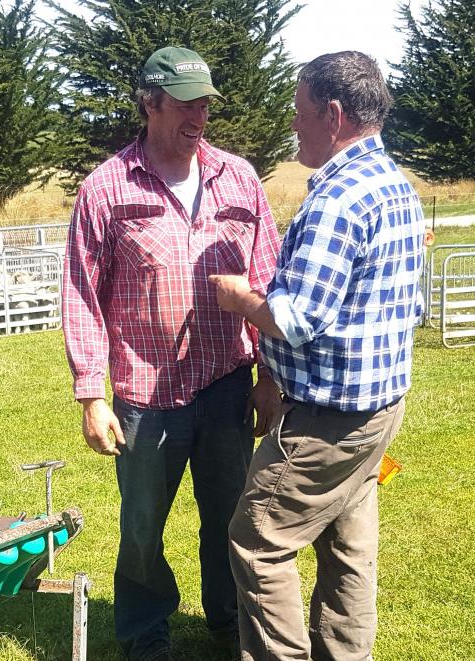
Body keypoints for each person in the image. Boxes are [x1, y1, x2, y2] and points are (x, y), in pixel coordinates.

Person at [62, 46, 281, 661]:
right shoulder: (106, 188)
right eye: (186, 103)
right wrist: (90, 393)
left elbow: (268, 277)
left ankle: (230, 619)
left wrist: (271, 376)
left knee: (233, 517)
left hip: (229, 382)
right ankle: (144, 634)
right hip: (145, 395)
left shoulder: (238, 177)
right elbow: (81, 292)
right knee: (141, 530)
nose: (199, 115)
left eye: (206, 102)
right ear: (150, 103)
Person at [209, 51, 425, 661]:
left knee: (257, 541)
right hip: (377, 409)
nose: (293, 126)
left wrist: (238, 297)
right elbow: (407, 305)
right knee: (349, 550)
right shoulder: (394, 186)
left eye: (301, 113)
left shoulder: (338, 197)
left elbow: (294, 319)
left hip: (327, 419)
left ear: (333, 114)